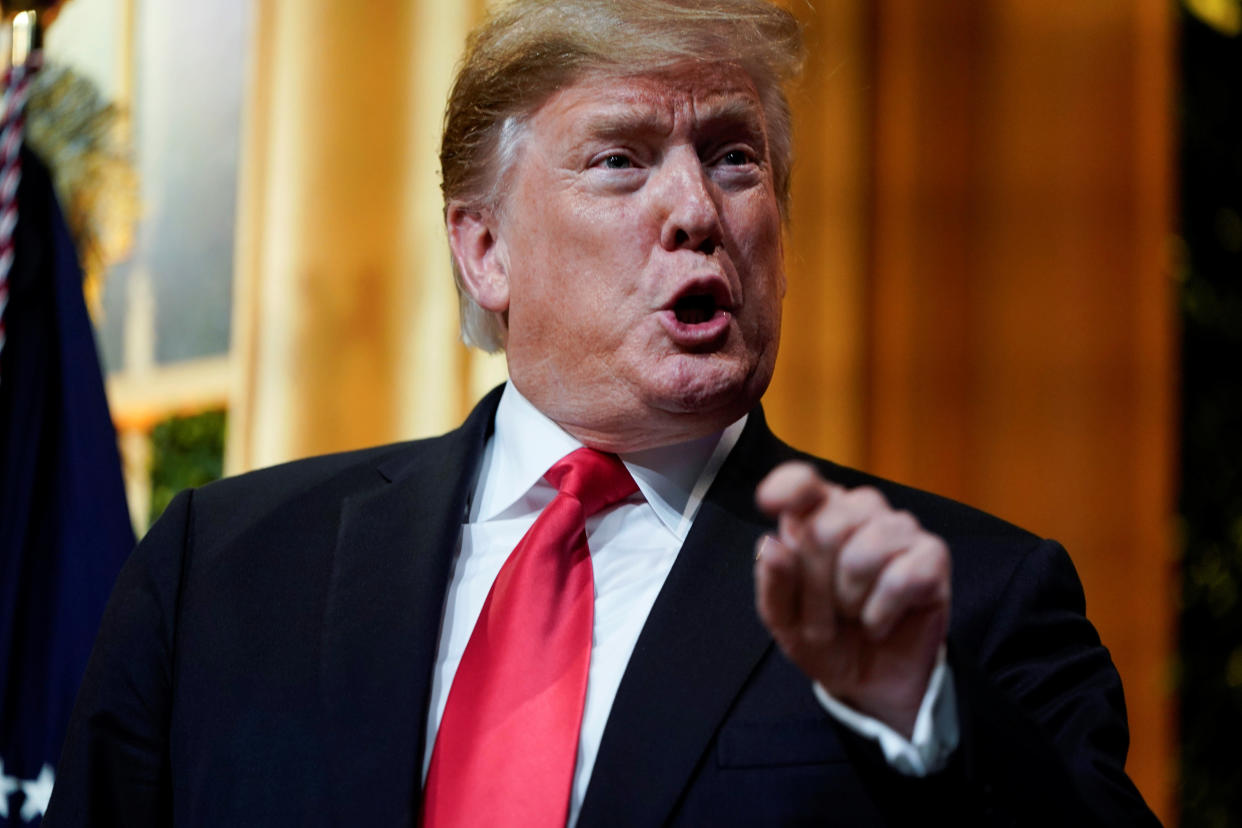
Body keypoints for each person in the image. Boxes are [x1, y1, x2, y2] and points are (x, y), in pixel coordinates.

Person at [46, 0, 1160, 825]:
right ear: (484, 250)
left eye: (735, 158)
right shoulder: (224, 574)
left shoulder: (963, 602)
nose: (696, 211)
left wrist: (930, 718)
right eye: (622, 162)